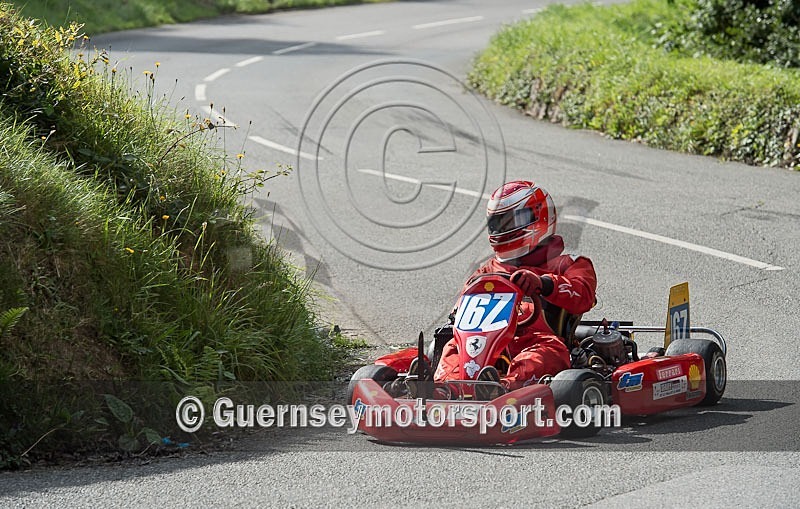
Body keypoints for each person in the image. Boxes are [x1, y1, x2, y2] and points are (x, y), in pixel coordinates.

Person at [433, 180, 597, 395]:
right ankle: (446, 390)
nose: (504, 230)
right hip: (485, 344)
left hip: (537, 340)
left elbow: (582, 294)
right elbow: (462, 309)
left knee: (543, 355)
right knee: (453, 349)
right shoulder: (487, 270)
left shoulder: (570, 264)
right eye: (499, 224)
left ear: (540, 217)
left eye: (511, 221)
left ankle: (501, 389)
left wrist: (543, 284)